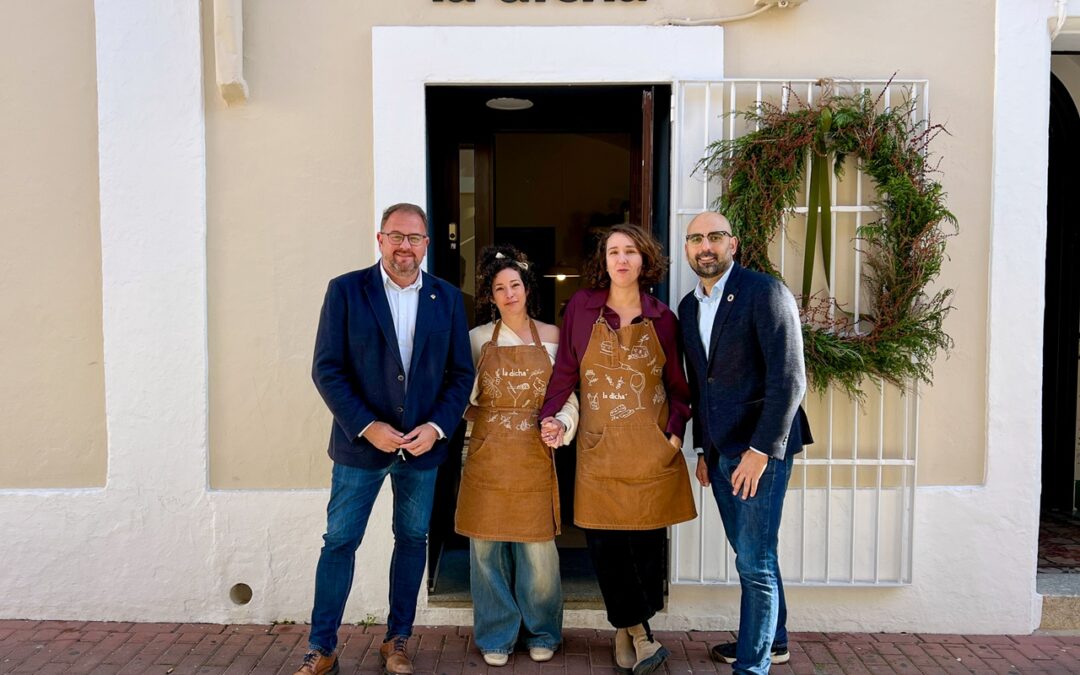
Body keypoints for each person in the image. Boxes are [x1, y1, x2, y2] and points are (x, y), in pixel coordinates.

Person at [295, 203, 475, 675]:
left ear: (426, 245)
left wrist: (436, 427)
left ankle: (397, 640)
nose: (405, 246)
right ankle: (322, 647)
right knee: (339, 542)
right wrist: (367, 425)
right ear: (380, 239)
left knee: (413, 540)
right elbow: (326, 368)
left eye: (414, 238)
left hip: (421, 449)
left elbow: (460, 374)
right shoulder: (347, 291)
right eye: (396, 236)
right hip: (360, 447)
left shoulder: (448, 298)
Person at [539, 224, 697, 675]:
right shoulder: (582, 309)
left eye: (631, 252)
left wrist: (673, 434)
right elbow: (566, 373)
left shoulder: (665, 318)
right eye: (614, 252)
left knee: (645, 550)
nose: (622, 260)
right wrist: (551, 415)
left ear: (644, 261)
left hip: (650, 451)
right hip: (599, 449)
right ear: (603, 261)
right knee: (606, 547)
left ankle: (628, 631)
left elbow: (680, 389)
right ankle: (641, 634)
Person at [677, 211, 812, 675]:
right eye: (696, 239)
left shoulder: (764, 292)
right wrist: (700, 448)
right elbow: (700, 383)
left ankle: (752, 666)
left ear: (732, 243)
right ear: (688, 248)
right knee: (753, 554)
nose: (705, 246)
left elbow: (790, 380)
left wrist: (759, 451)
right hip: (718, 450)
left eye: (714, 236)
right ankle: (773, 641)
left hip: (760, 450)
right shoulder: (688, 307)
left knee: (755, 562)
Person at [455, 245, 580, 667]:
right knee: (486, 549)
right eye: (499, 288)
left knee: (538, 552)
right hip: (486, 453)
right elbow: (456, 394)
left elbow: (568, 397)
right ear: (491, 297)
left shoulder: (554, 337)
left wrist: (561, 423)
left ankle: (543, 631)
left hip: (534, 455)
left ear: (527, 289)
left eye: (515, 285)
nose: (509, 294)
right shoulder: (475, 340)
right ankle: (495, 635)